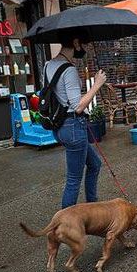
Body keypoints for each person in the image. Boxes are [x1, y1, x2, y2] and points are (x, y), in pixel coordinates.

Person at [46, 36, 106, 208]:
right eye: (82, 43)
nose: (83, 47)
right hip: (73, 127)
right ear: (75, 42)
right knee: (73, 179)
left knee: (95, 164)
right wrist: (97, 84)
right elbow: (78, 106)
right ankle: (65, 223)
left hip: (60, 127)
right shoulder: (69, 69)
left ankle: (92, 207)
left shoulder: (47, 65)